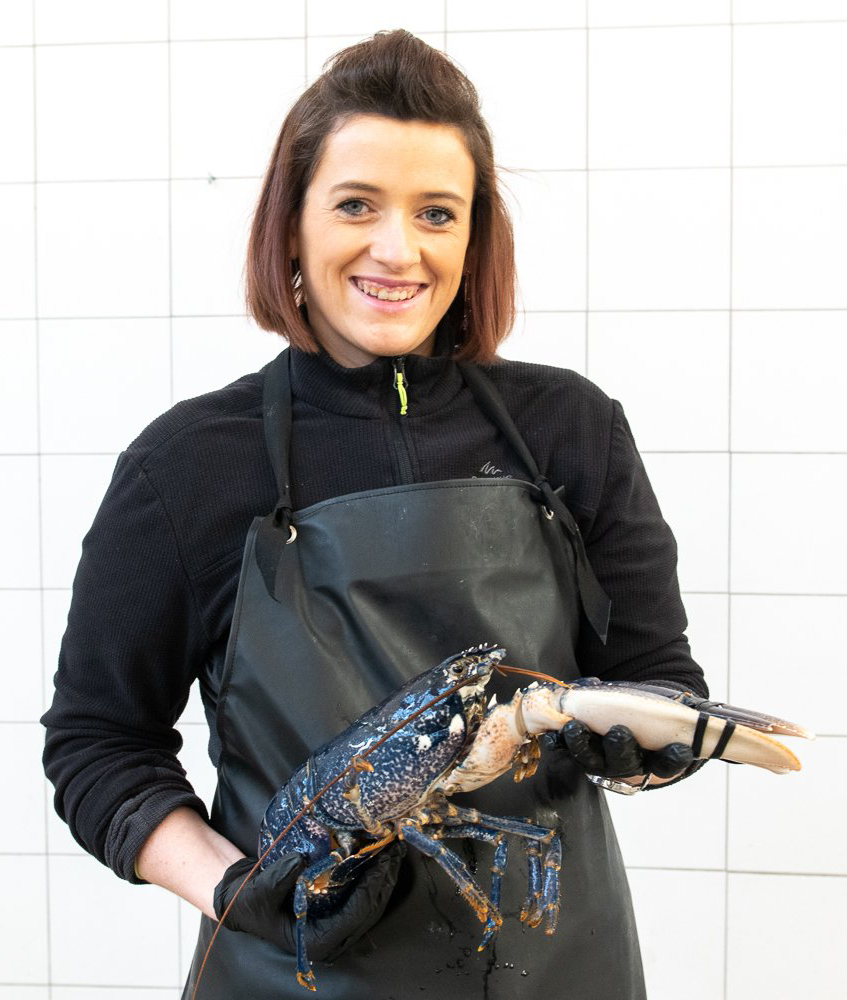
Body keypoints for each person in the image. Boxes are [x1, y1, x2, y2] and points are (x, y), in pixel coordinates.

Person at [42, 29, 708, 1000]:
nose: (398, 250)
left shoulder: (571, 430)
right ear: (292, 225)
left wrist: (645, 748)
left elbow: (660, 686)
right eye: (356, 204)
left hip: (558, 973)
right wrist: (238, 889)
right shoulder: (187, 464)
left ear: (473, 238)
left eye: (436, 212)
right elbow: (96, 745)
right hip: (291, 974)